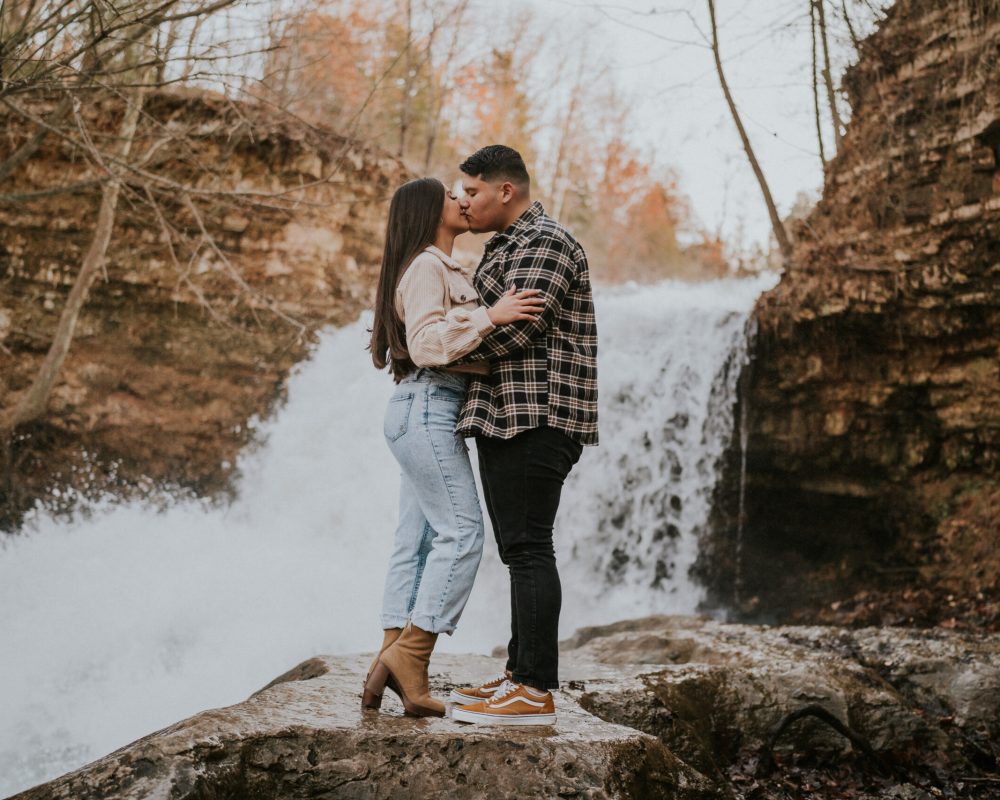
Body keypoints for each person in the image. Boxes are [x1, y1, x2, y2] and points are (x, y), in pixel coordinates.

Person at [363, 176, 544, 717]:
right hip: (428, 406)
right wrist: (489, 316)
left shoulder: (435, 266)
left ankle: (386, 662)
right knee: (462, 532)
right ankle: (412, 657)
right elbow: (424, 344)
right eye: (451, 196)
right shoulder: (426, 267)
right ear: (428, 210)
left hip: (416, 409)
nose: (462, 201)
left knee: (415, 540)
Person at [447, 145, 599, 726]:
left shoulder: (546, 243)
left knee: (531, 547)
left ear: (504, 190)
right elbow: (490, 321)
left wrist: (443, 343)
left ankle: (535, 691)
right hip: (504, 415)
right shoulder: (505, 248)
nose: (464, 201)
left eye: (473, 192)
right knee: (519, 550)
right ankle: (519, 674)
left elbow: (516, 333)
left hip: (537, 416)